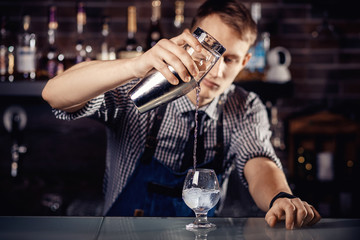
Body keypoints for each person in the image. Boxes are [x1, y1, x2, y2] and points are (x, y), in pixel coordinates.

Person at [42, 0, 321, 229]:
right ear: (189, 41)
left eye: (231, 59)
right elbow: (54, 94)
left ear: (246, 62)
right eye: (210, 52)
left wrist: (280, 198)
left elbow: (259, 162)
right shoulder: (139, 88)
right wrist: (137, 66)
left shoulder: (244, 106)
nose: (217, 70)